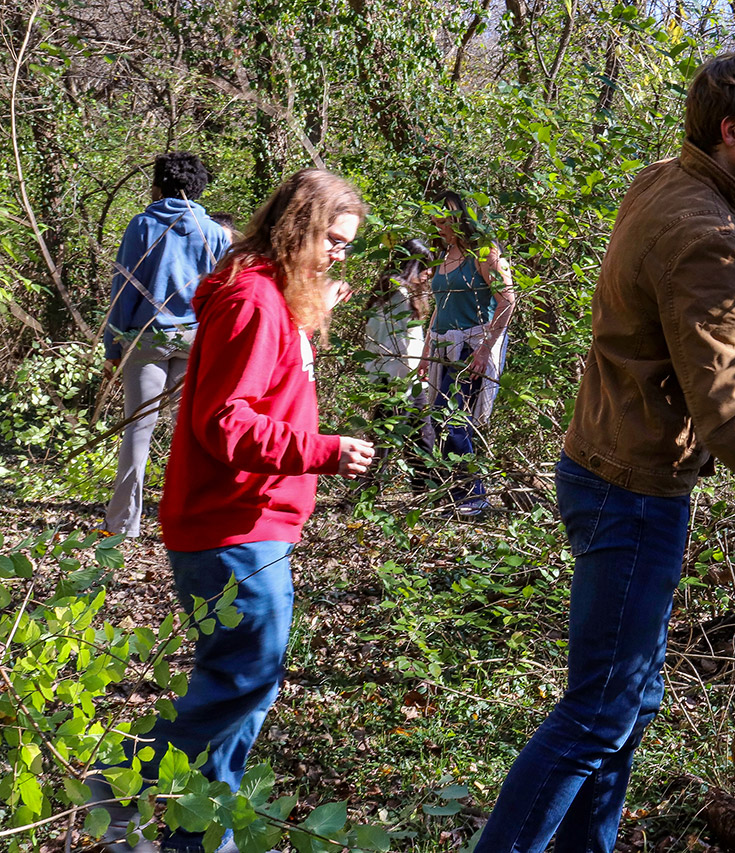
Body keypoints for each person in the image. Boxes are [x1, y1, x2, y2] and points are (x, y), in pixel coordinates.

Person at [473, 54, 735, 852]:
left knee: (630, 699)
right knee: (598, 710)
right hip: (634, 492)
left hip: (603, 467)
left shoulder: (667, 180)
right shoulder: (706, 240)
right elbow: (726, 419)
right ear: (732, 132)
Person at [87, 168, 375, 853]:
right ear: (299, 228)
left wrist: (320, 307)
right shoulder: (250, 300)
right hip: (231, 528)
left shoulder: (273, 296)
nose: (340, 253)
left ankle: (197, 837)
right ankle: (120, 779)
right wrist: (323, 450)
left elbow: (271, 371)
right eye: (333, 240)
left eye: (347, 245)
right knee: (242, 680)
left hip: (255, 524)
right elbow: (226, 423)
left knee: (247, 690)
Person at [103, 152, 232, 538]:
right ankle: (194, 518)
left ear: (159, 185)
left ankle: (123, 524)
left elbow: (123, 288)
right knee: (191, 433)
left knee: (138, 430)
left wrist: (113, 347)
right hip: (197, 341)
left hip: (147, 338)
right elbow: (223, 294)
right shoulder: (215, 233)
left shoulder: (142, 225)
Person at [418, 191, 516, 516]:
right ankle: (459, 495)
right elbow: (439, 306)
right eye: (434, 220)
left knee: (450, 416)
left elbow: (507, 301)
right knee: (439, 417)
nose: (439, 226)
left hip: (472, 347)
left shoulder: (483, 252)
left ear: (459, 217)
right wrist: (425, 351)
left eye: (444, 219)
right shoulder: (443, 255)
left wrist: (485, 349)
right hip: (445, 347)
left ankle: (473, 496)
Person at [364, 238, 432, 490]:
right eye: (425, 267)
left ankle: (423, 491)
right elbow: (403, 343)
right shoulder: (399, 295)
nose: (429, 274)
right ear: (413, 265)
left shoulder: (385, 291)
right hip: (399, 379)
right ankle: (363, 494)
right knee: (387, 439)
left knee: (417, 436)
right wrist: (410, 376)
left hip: (393, 377)